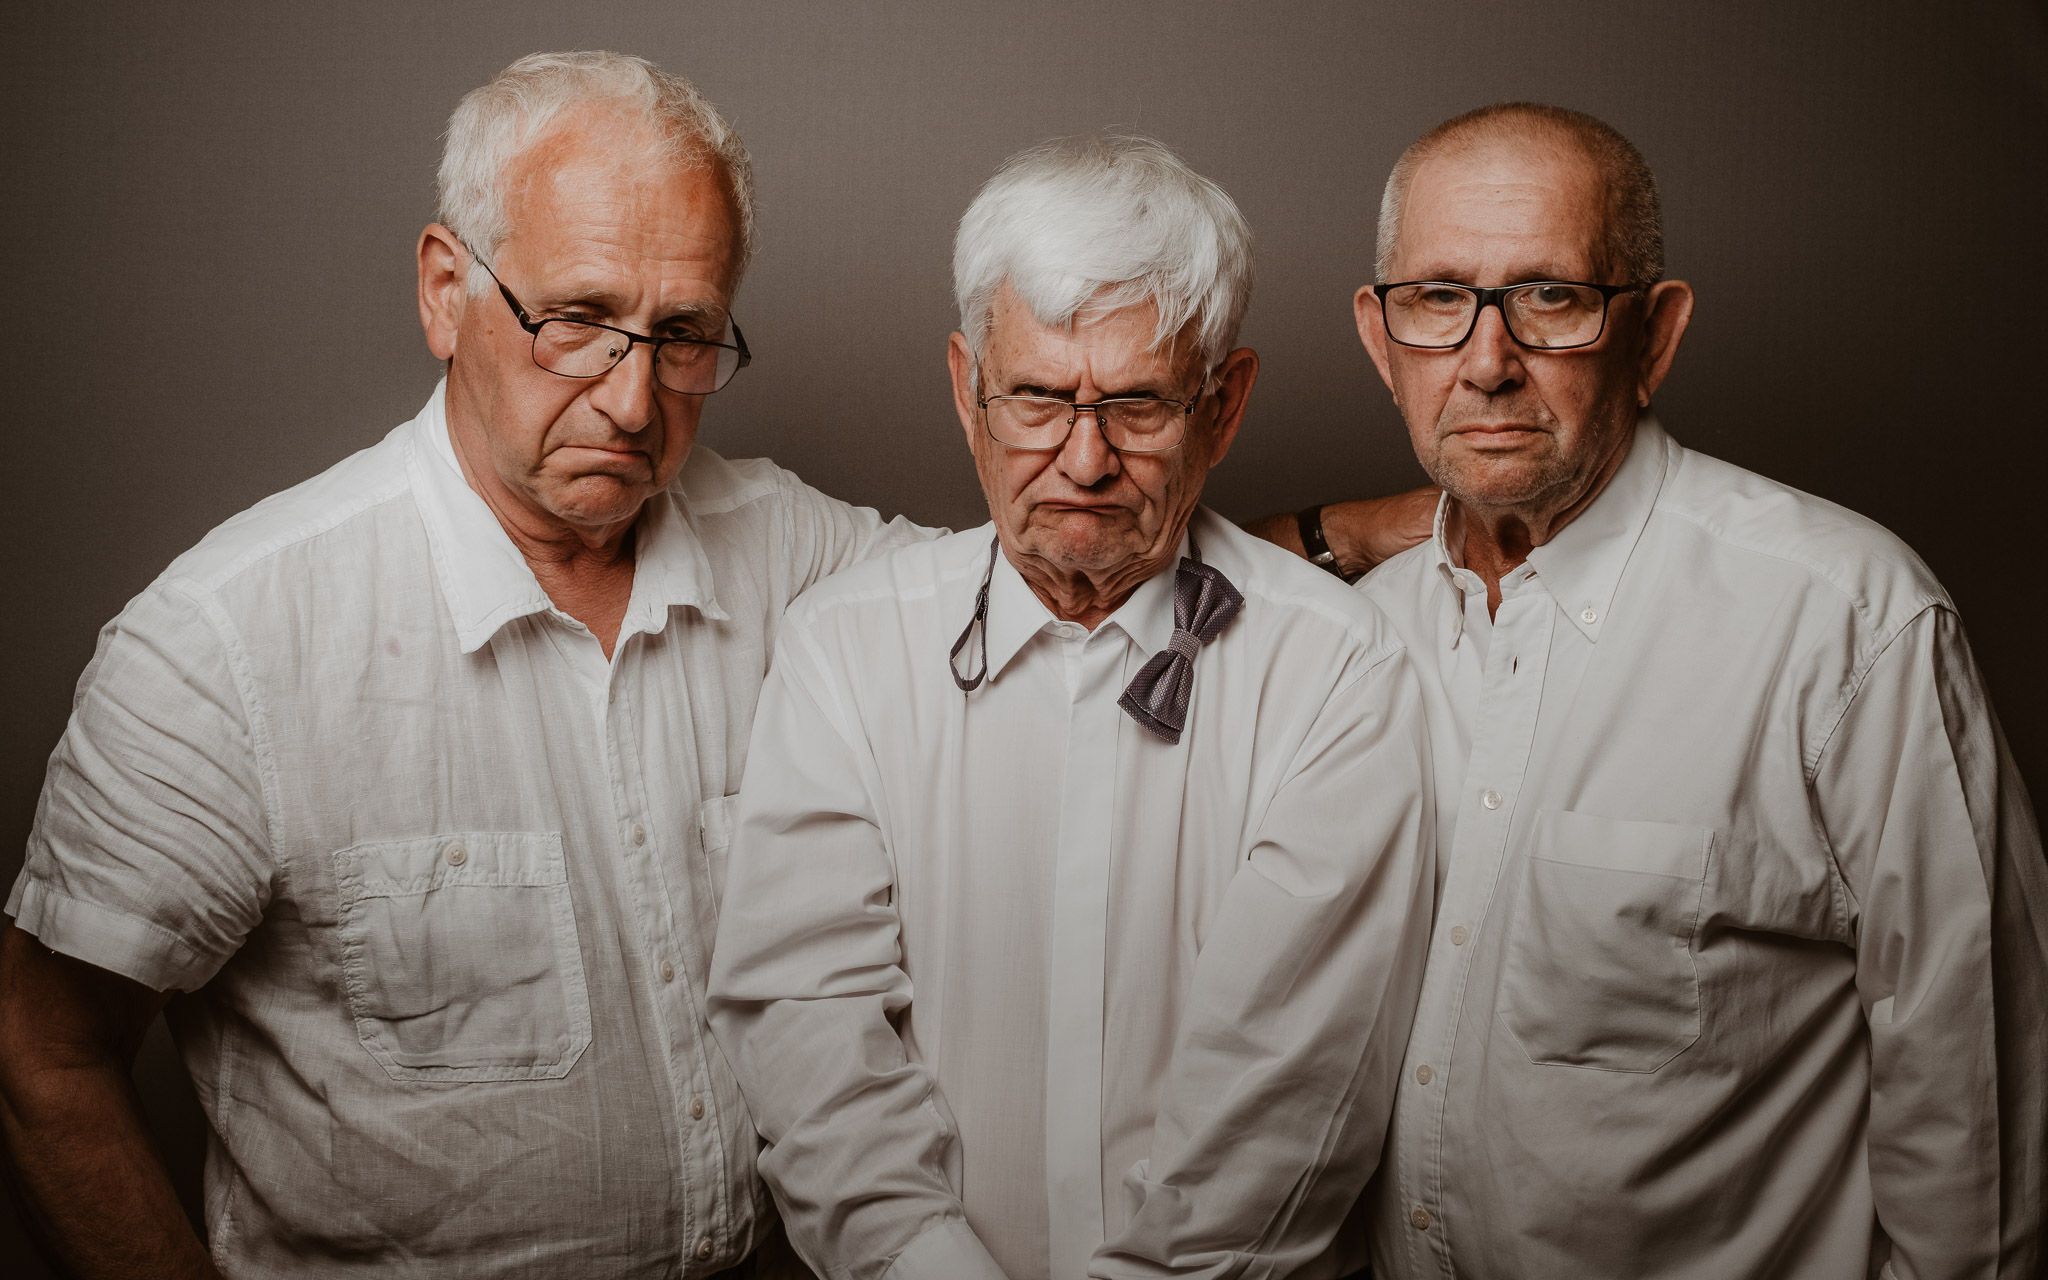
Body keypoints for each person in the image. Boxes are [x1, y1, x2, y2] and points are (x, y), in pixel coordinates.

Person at [0, 51, 930, 1278]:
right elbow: (40, 1050)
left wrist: (1273, 545)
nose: (635, 399)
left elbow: (1032, 576)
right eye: (579, 321)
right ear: (446, 290)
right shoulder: (225, 643)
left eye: (683, 334)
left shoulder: (791, 550)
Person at [707, 135, 1435, 1280]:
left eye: (1137, 404)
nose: (1082, 458)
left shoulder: (1339, 669)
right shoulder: (843, 646)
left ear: (1225, 403)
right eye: (1038, 397)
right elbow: (807, 1018)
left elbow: (1286, 1087)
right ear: (966, 389)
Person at [1345, 102, 2048, 1278]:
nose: (1484, 360)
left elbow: (1973, 1100)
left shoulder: (1843, 619)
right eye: (1436, 299)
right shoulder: (1352, 647)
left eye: (1550, 296)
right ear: (1378, 338)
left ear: (1654, 334)